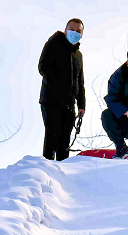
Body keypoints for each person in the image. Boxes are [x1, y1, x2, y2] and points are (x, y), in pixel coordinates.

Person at [38, 18, 86, 161]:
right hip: (51, 99)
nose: (74, 32)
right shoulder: (54, 44)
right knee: (53, 135)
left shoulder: (78, 55)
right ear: (65, 29)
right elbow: (43, 67)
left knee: (64, 141)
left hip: (69, 104)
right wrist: (57, 85)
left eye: (78, 31)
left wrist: (81, 105)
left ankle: (62, 171)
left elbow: (80, 81)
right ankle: (46, 167)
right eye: (71, 29)